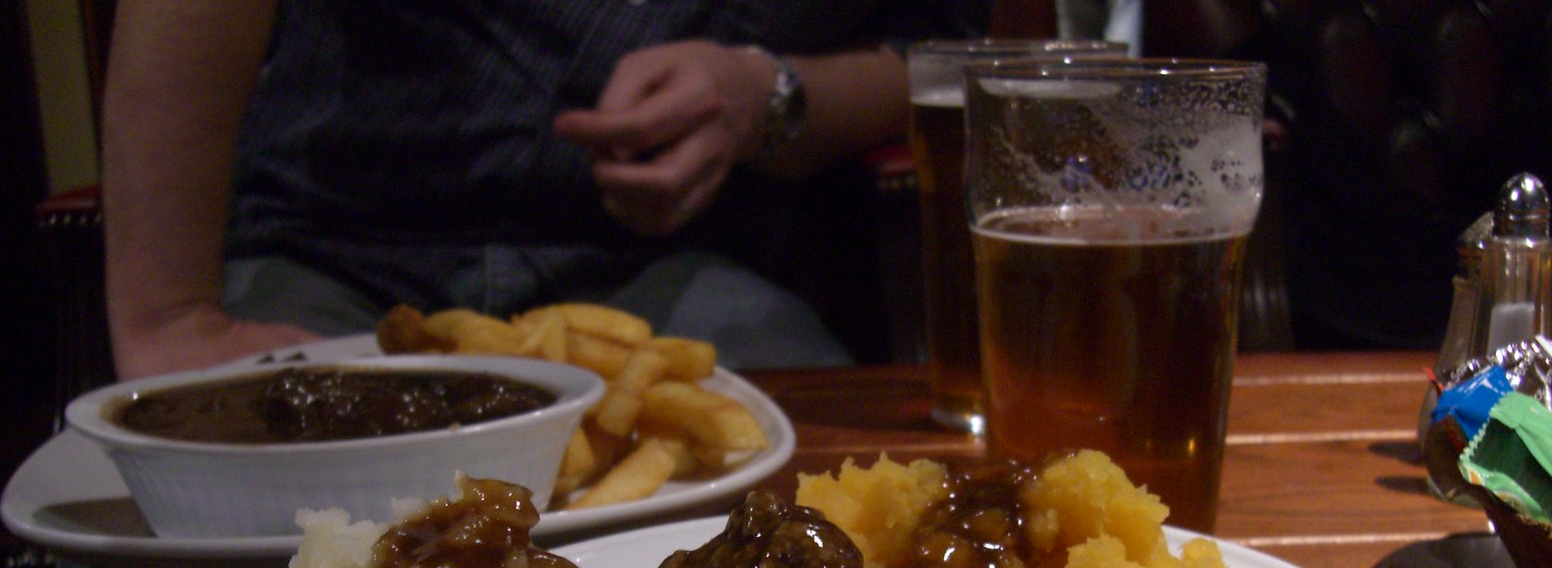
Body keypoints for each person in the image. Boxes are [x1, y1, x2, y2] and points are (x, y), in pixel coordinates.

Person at [102, 1, 986, 381]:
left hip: (686, 265)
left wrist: (772, 96)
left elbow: (941, 55)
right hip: (331, 242)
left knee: (812, 521)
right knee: (176, 505)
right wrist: (170, 313)